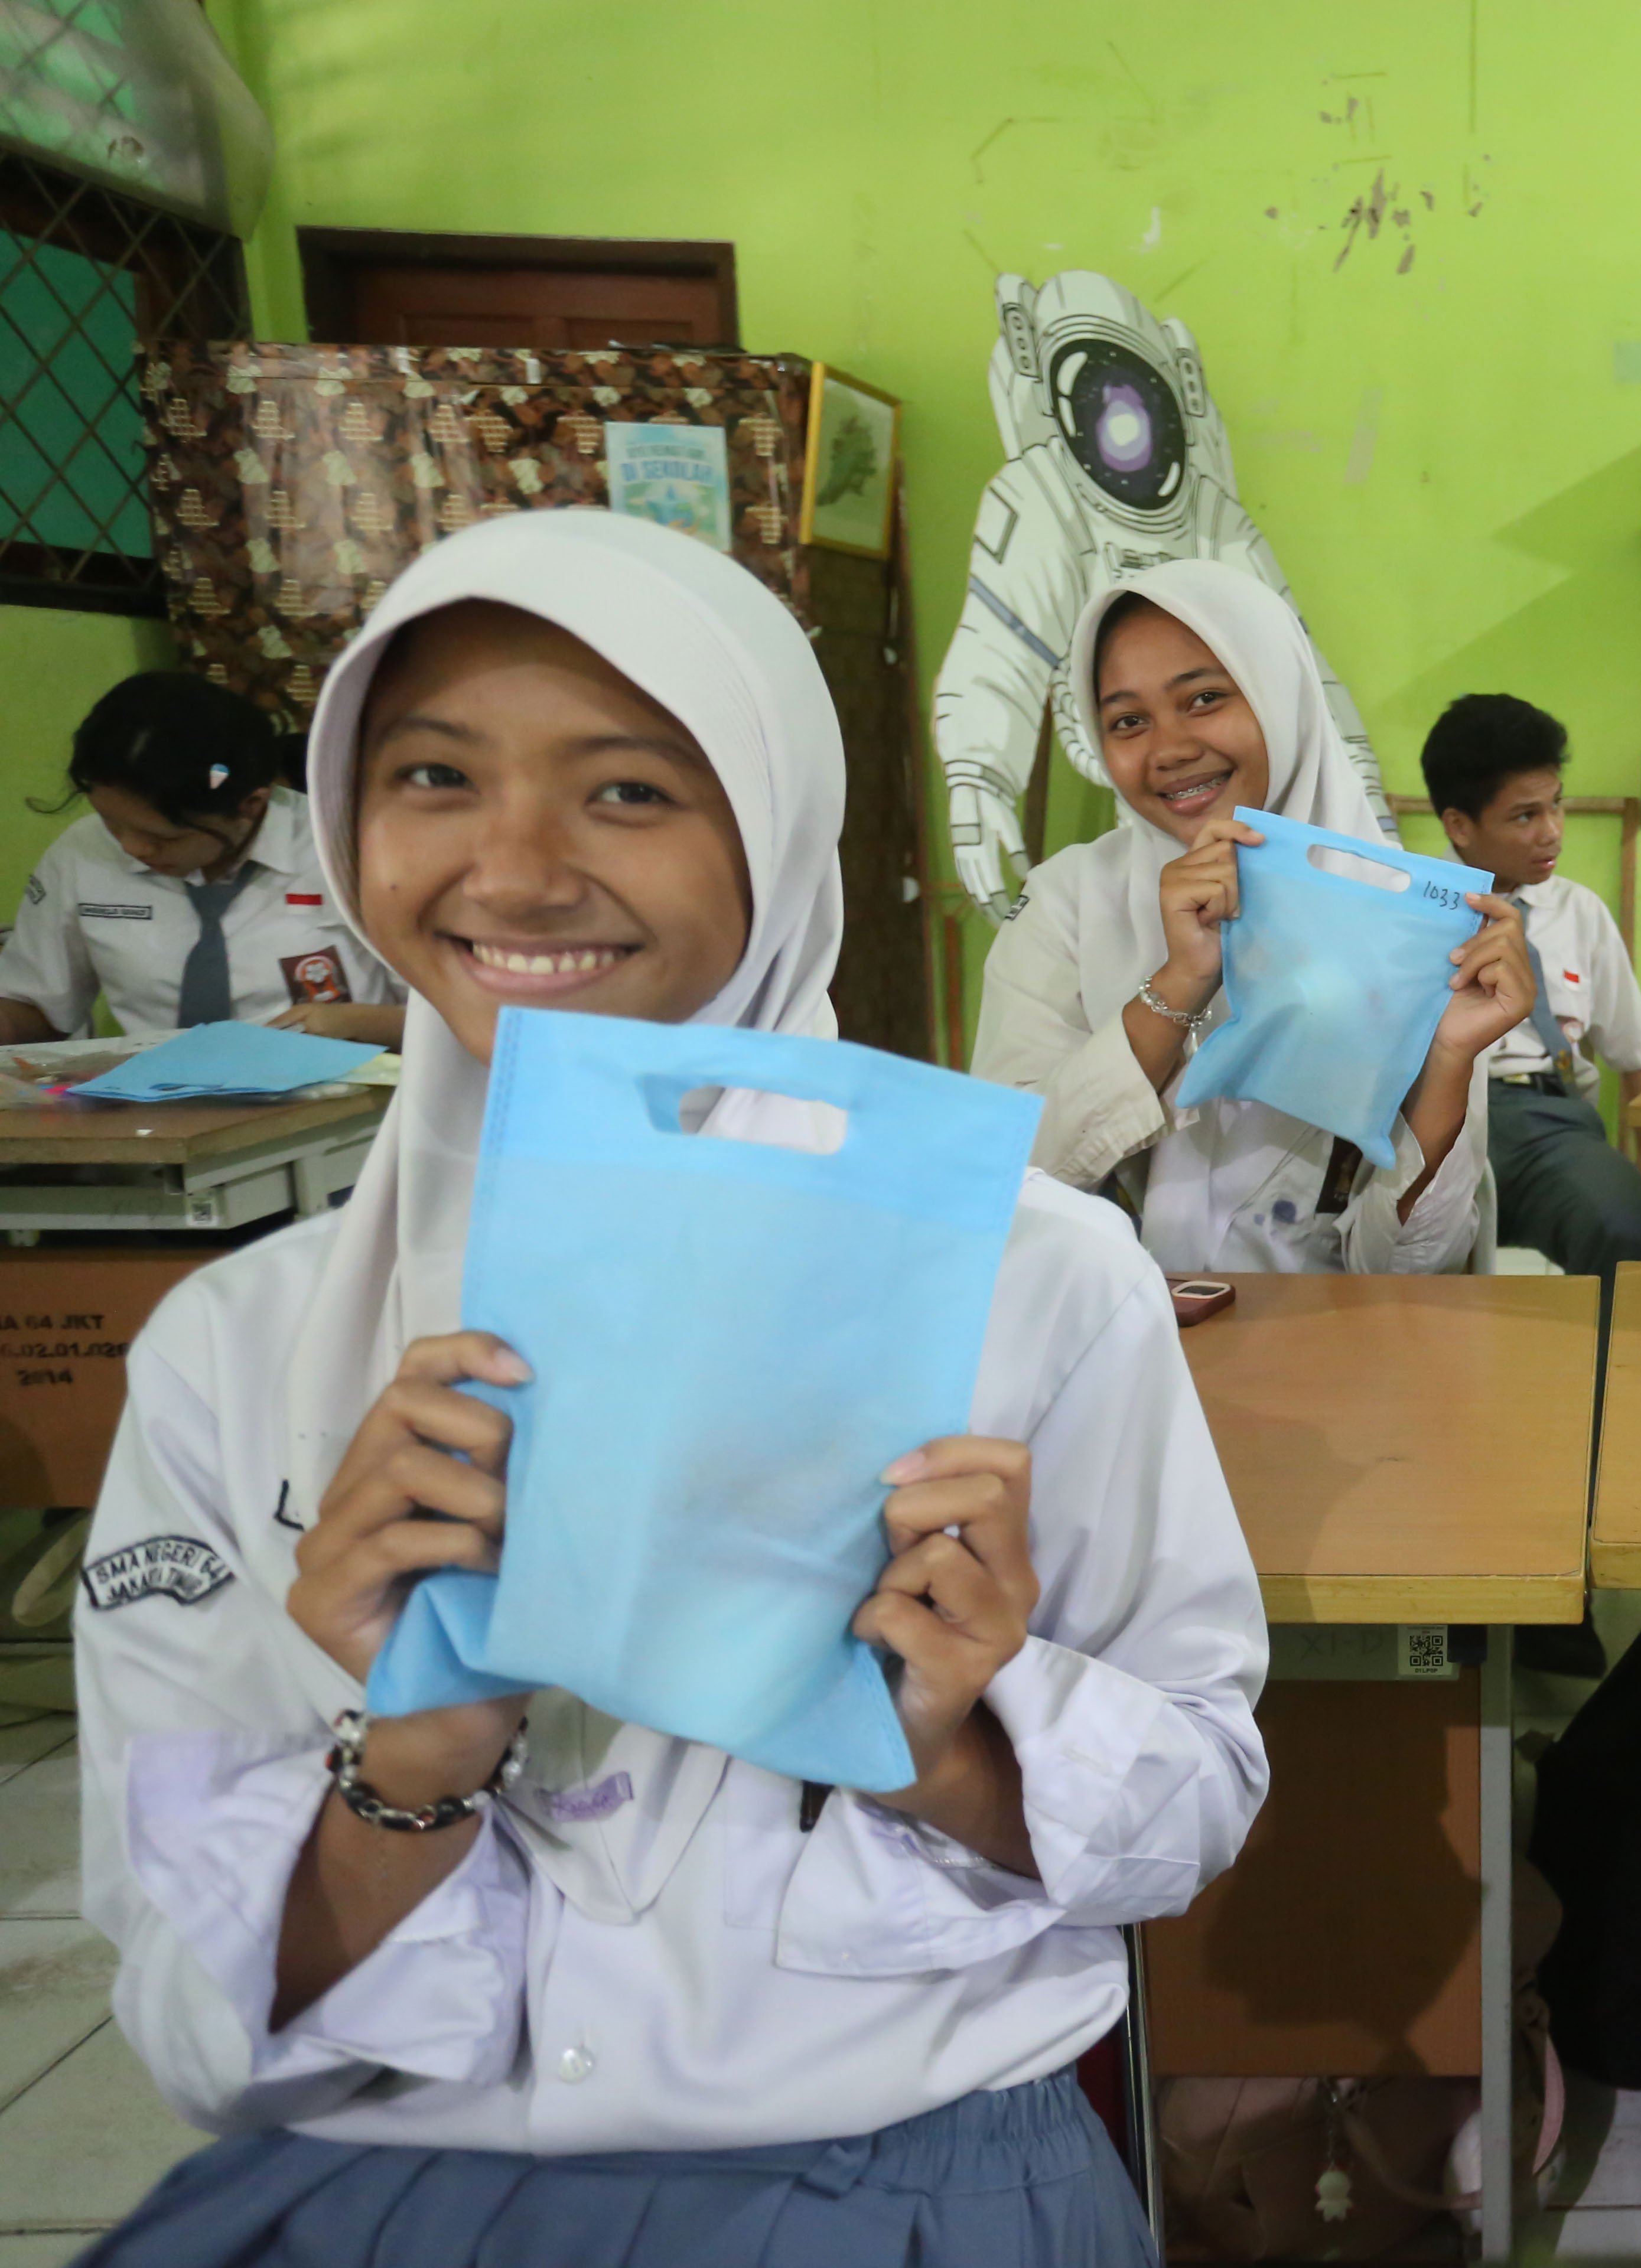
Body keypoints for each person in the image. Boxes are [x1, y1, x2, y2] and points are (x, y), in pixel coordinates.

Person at [73, 510, 1267, 2264]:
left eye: (627, 790)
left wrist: (946, 1738)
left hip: (897, 2172)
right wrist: (413, 1759)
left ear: (774, 833)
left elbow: (1193, 1807)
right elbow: (195, 2024)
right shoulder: (237, 1345)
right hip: (387, 2175)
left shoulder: (1032, 1282)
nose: (514, 872)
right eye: (432, 776)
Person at [972, 559, 1534, 1275]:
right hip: (1108, 1327)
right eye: (1129, 721)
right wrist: (1181, 981)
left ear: (1280, 695)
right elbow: (1004, 1177)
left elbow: (1411, 1272)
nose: (1170, 750)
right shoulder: (1069, 902)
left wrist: (1449, 1063)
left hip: (1327, 1336)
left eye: (1204, 698)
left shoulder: (1411, 919)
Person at [0, 672, 405, 1045]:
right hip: (153, 1093)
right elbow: (36, 1005)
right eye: (110, 821)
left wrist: (350, 1023)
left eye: (163, 837)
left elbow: (437, 1015)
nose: (132, 848)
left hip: (350, 1092)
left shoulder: (352, 851)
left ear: (251, 804)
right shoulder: (83, 852)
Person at [1421, 692, 1641, 1278]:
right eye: (1524, 816)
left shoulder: (1580, 913)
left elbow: (1637, 1057)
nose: (1552, 832)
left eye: (1556, 805)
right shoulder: (1406, 914)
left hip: (1547, 1126)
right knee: (1400, 1249)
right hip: (1430, 1121)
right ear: (1459, 825)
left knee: (1622, 1225)